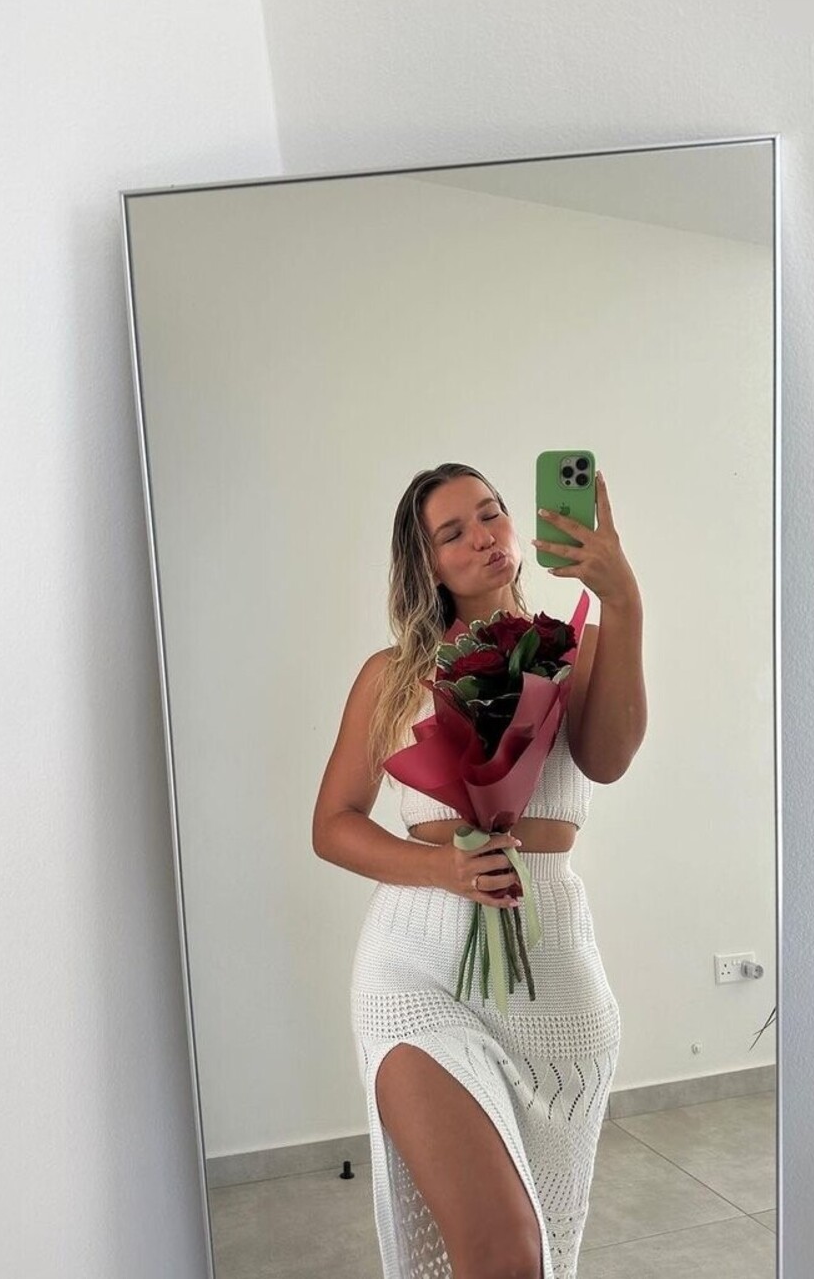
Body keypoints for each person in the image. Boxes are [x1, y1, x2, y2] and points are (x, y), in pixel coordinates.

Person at [312, 462, 646, 1279]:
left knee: (531, 1258)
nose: (483, 536)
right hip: (417, 972)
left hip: (552, 973)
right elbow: (333, 825)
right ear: (426, 564)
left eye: (491, 514)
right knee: (500, 1251)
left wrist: (623, 601)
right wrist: (444, 870)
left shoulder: (574, 650)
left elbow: (607, 759)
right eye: (452, 532)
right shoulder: (391, 675)